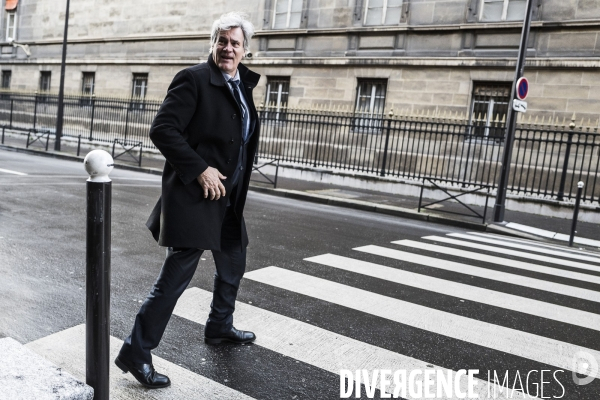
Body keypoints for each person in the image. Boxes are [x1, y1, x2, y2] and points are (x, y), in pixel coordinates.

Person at [114, 12, 261, 389]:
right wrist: (200, 169)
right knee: (175, 279)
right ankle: (137, 351)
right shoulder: (193, 79)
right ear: (213, 44)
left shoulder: (242, 85)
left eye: (235, 43)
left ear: (246, 50)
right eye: (222, 41)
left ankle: (219, 325)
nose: (228, 48)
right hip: (197, 195)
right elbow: (163, 129)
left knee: (234, 261)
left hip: (228, 197)